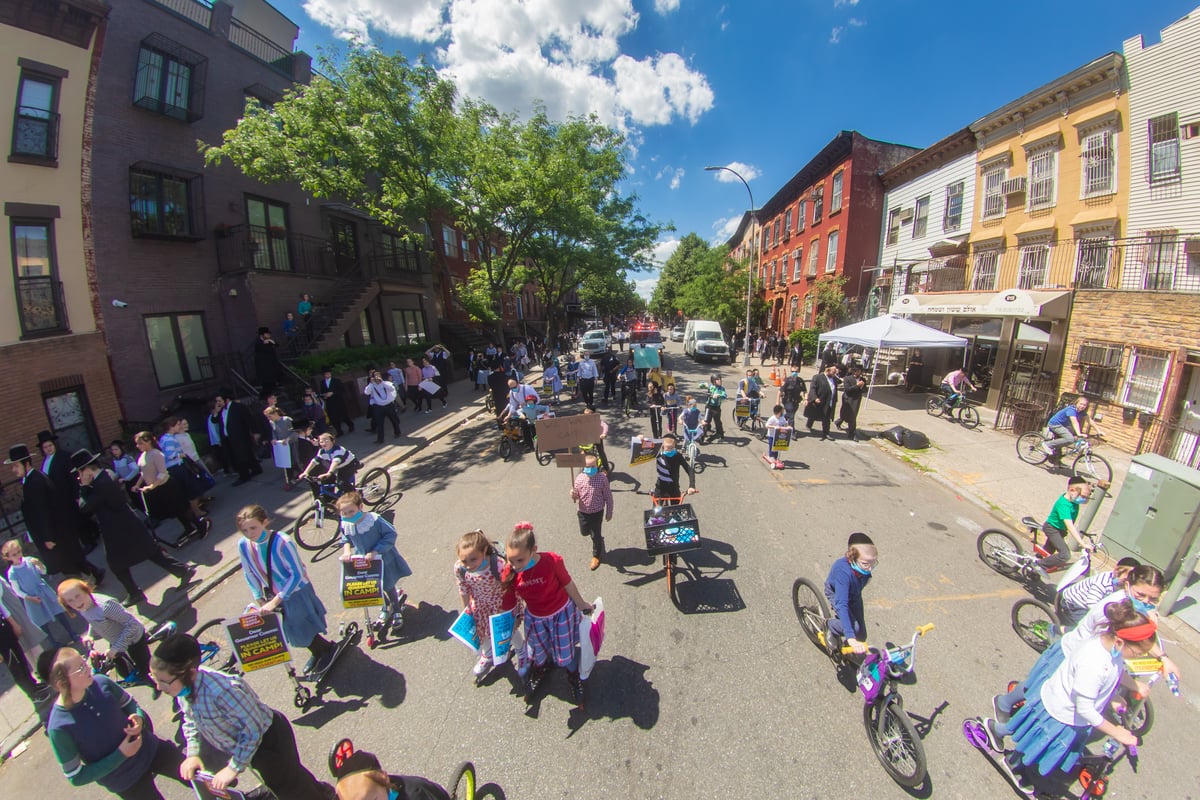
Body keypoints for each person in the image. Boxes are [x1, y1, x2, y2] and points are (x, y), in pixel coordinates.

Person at [980, 602, 1157, 795]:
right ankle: (1014, 763)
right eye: (1138, 653)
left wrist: (1129, 688)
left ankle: (996, 730)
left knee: (1029, 729)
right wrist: (1115, 731)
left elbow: (1117, 669)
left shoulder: (1111, 649)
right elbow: (1085, 708)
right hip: (1061, 711)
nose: (1139, 656)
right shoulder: (1094, 662)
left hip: (1065, 709)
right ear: (1120, 642)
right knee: (1038, 739)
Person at [150, 633, 334, 800]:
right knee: (289, 778)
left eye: (163, 682)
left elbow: (253, 730)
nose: (159, 687)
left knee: (290, 789)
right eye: (154, 679)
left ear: (190, 672)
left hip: (268, 741)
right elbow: (190, 720)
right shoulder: (184, 691)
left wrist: (233, 768)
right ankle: (322, 791)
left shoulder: (222, 691)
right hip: (248, 747)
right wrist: (192, 753)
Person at [992, 564, 1174, 724]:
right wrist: (1131, 687)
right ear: (1128, 585)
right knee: (1039, 687)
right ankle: (1004, 703)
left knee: (1050, 692)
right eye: (1140, 595)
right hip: (1069, 653)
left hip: (1080, 656)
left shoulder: (1131, 607)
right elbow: (1108, 654)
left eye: (1152, 600)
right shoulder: (1113, 610)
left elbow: (1140, 638)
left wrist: (1164, 658)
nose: (1145, 602)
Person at [46, 647, 186, 799]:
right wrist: (121, 754)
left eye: (83, 661)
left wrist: (139, 719)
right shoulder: (59, 728)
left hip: (150, 748)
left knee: (199, 778)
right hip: (125, 781)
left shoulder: (101, 682)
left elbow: (131, 705)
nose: (87, 668)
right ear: (62, 683)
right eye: (80, 668)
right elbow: (76, 776)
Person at [73, 449, 195, 606]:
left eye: (79, 472)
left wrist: (83, 487)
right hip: (122, 527)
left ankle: (178, 573)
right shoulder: (105, 477)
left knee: (138, 556)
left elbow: (85, 508)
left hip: (121, 528)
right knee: (135, 557)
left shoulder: (102, 484)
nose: (79, 476)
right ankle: (138, 590)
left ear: (87, 470)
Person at [500, 522, 595, 703]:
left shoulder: (551, 561)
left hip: (561, 614)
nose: (514, 565)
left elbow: (567, 583)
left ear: (533, 550)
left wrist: (582, 604)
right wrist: (509, 623)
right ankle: (541, 668)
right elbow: (509, 601)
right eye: (510, 559)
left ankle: (573, 675)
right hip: (536, 618)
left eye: (519, 560)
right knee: (538, 651)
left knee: (566, 654)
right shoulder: (510, 572)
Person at [235, 505, 337, 670]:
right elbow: (249, 572)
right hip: (273, 596)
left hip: (295, 591)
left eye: (253, 528)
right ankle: (318, 651)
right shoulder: (244, 545)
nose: (249, 534)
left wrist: (276, 600)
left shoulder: (283, 542)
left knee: (301, 625)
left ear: (265, 522)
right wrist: (258, 597)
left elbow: (296, 574)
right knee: (293, 628)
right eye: (244, 530)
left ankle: (326, 649)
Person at [6, 443, 103, 581]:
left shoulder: (36, 481)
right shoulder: (30, 480)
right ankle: (94, 574)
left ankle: (86, 583)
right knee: (71, 559)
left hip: (55, 532)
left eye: (16, 465)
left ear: (26, 463)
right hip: (56, 532)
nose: (13, 469)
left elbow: (43, 511)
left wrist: (48, 537)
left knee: (68, 563)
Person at [337, 491, 410, 627]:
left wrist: (376, 550)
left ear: (360, 507)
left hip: (381, 558)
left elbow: (391, 534)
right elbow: (346, 538)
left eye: (351, 511)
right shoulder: (346, 524)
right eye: (344, 513)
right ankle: (385, 605)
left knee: (387, 585)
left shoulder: (374, 520)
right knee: (373, 586)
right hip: (363, 560)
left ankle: (396, 609)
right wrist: (347, 551)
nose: (348, 516)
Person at [58, 578, 151, 679]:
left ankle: (155, 682)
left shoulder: (106, 607)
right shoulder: (83, 607)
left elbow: (133, 624)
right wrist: (90, 635)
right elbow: (93, 621)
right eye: (70, 601)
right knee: (123, 671)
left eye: (78, 596)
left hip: (133, 639)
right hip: (116, 639)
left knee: (145, 668)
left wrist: (116, 647)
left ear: (86, 590)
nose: (76, 602)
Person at [454, 530, 516, 678]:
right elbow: (463, 589)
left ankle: (521, 650)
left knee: (508, 630)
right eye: (464, 561)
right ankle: (487, 654)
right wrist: (467, 609)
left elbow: (509, 587)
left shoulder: (498, 565)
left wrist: (507, 607)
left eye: (473, 559)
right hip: (480, 605)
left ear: (484, 552)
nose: (468, 565)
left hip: (500, 604)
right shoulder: (460, 568)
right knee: (483, 633)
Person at [132, 431, 207, 546]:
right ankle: (188, 527)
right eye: (137, 444)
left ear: (149, 441)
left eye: (140, 443)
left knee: (182, 508)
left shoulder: (156, 454)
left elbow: (162, 473)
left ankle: (200, 526)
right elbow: (144, 473)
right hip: (157, 489)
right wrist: (138, 484)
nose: (138, 446)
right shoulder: (143, 456)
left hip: (167, 486)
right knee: (174, 511)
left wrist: (153, 485)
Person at [3, 540, 79, 647]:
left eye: (19, 552)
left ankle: (72, 633)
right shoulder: (12, 572)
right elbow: (17, 590)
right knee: (42, 621)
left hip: (44, 592)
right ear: (8, 558)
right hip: (32, 598)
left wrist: (39, 564)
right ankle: (53, 642)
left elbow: (43, 572)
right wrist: (29, 598)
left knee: (59, 613)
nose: (18, 556)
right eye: (14, 555)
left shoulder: (29, 561)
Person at [823, 533, 878, 655]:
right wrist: (850, 637)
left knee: (862, 635)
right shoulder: (843, 573)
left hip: (854, 595)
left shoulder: (863, 569)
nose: (870, 569)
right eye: (865, 564)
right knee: (854, 629)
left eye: (873, 563)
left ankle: (848, 650)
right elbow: (841, 603)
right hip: (837, 593)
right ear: (852, 558)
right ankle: (830, 626)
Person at [1032, 476, 1094, 581]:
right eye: (1083, 497)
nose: (1084, 500)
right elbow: (1070, 525)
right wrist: (1082, 543)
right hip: (1052, 529)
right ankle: (1038, 565)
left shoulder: (1073, 501)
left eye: (1086, 497)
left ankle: (1032, 565)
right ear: (1072, 490)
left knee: (1048, 552)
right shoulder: (1064, 505)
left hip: (1060, 531)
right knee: (1064, 555)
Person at [1058, 557, 1141, 628]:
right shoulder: (1102, 583)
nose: (1129, 582)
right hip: (1075, 603)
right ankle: (1060, 630)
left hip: (1089, 602)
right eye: (1126, 578)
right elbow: (1091, 604)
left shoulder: (1120, 583)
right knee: (1087, 629)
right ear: (1117, 571)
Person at [1, 594, 50, 708]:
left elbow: (2, 608)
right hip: (2, 644)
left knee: (21, 662)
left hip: (5, 631)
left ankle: (33, 685)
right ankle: (33, 694)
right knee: (16, 667)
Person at [571, 454, 614, 571]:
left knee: (595, 535)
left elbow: (608, 496)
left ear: (597, 466)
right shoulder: (579, 478)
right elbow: (576, 497)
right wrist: (573, 495)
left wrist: (609, 511)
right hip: (582, 512)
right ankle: (597, 537)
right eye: (587, 466)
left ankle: (596, 555)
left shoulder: (602, 478)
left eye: (592, 466)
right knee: (584, 532)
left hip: (597, 512)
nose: (590, 469)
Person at [214, 392, 264, 486]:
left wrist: (255, 432)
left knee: (242, 456)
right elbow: (214, 420)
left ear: (227, 399)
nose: (218, 403)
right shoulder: (221, 411)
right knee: (241, 455)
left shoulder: (238, 407)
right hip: (228, 438)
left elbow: (249, 419)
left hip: (240, 436)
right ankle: (256, 469)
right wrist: (216, 412)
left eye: (219, 400)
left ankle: (244, 475)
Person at [298, 432, 358, 500]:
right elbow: (315, 461)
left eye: (326, 440)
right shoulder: (322, 451)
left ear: (333, 441)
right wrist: (306, 472)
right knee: (326, 481)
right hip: (337, 466)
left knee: (341, 483)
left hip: (349, 464)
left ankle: (356, 496)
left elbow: (335, 461)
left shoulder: (338, 450)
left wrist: (329, 473)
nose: (324, 443)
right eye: (321, 442)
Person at [1044, 397, 1098, 462]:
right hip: (1055, 424)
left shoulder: (1082, 412)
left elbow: (1090, 421)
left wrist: (1099, 431)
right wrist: (1079, 433)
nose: (1082, 406)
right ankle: (1048, 444)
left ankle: (1056, 459)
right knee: (1070, 439)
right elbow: (1074, 422)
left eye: (1084, 405)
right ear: (1076, 403)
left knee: (1069, 439)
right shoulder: (1071, 410)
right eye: (1081, 404)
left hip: (1064, 426)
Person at [653, 433, 697, 502]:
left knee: (676, 510)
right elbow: (643, 450)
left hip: (674, 487)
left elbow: (689, 470)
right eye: (667, 448)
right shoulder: (658, 455)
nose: (670, 451)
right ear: (662, 447)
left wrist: (692, 486)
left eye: (672, 448)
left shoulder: (678, 456)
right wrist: (640, 440)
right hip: (660, 488)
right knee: (656, 511)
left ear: (675, 446)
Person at [499, 378, 540, 452]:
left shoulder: (527, 388)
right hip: (522, 412)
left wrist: (527, 404)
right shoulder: (512, 392)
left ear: (518, 384)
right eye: (511, 388)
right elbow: (512, 405)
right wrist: (508, 416)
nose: (513, 389)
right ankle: (529, 446)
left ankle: (538, 444)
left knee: (533, 427)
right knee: (524, 428)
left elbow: (537, 399)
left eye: (514, 387)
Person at [363, 372, 403, 443]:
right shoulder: (372, 385)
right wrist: (371, 383)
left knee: (394, 420)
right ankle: (380, 439)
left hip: (389, 405)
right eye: (375, 376)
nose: (377, 378)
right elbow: (366, 392)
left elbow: (392, 389)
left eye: (378, 376)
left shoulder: (386, 383)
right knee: (379, 423)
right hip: (378, 407)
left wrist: (383, 382)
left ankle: (397, 433)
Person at [317, 367, 355, 436]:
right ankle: (339, 431)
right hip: (329, 402)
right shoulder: (322, 383)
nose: (327, 375)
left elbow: (342, 390)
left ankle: (350, 425)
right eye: (326, 374)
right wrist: (324, 396)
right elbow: (322, 392)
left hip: (338, 401)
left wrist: (333, 393)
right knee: (333, 417)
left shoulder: (336, 380)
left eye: (328, 373)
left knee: (344, 415)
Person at [805, 364, 839, 441]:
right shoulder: (817, 377)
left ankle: (826, 433)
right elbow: (812, 389)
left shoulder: (834, 379)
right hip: (819, 401)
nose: (834, 374)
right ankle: (809, 424)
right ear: (828, 370)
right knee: (814, 415)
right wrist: (815, 398)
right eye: (833, 372)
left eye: (835, 373)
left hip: (829, 402)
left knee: (827, 419)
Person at [837, 365, 866, 440]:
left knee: (853, 416)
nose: (857, 373)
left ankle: (851, 434)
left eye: (859, 371)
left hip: (856, 399)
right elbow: (847, 390)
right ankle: (839, 422)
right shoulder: (847, 378)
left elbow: (865, 390)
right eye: (856, 371)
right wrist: (857, 385)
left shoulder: (863, 379)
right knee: (845, 413)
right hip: (848, 398)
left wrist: (862, 387)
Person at [253, 327, 282, 395]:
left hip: (271, 366)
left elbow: (277, 345)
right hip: (264, 368)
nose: (269, 335)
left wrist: (272, 342)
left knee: (272, 382)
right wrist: (264, 343)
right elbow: (259, 349)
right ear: (262, 335)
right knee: (267, 385)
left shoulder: (269, 341)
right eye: (267, 334)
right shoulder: (258, 343)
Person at [699, 375, 727, 443]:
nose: (720, 381)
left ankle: (721, 434)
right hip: (709, 406)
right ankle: (703, 435)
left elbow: (724, 395)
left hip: (717, 407)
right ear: (713, 381)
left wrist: (718, 395)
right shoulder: (710, 386)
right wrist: (703, 384)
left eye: (720, 379)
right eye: (717, 379)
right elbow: (700, 385)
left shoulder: (722, 388)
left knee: (718, 422)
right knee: (706, 421)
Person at [763, 404, 789, 470]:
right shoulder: (772, 418)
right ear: (779, 412)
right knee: (771, 445)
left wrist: (787, 426)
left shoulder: (782, 418)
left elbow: (785, 423)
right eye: (781, 412)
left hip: (778, 436)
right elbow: (767, 425)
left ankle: (776, 457)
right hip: (771, 435)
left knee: (777, 446)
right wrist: (774, 427)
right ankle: (771, 456)